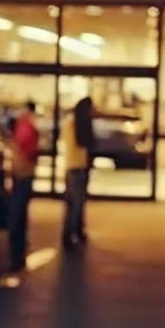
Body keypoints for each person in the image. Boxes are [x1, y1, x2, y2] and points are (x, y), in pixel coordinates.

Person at [7, 101, 40, 272]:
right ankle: (17, 242)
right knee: (20, 207)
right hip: (24, 170)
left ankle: (17, 241)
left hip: (20, 170)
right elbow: (27, 147)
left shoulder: (21, 123)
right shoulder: (27, 125)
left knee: (19, 206)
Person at [61, 95, 95, 247]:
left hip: (71, 166)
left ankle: (72, 232)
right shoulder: (77, 123)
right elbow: (84, 142)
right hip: (78, 166)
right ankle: (72, 234)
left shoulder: (69, 121)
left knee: (72, 203)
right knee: (77, 203)